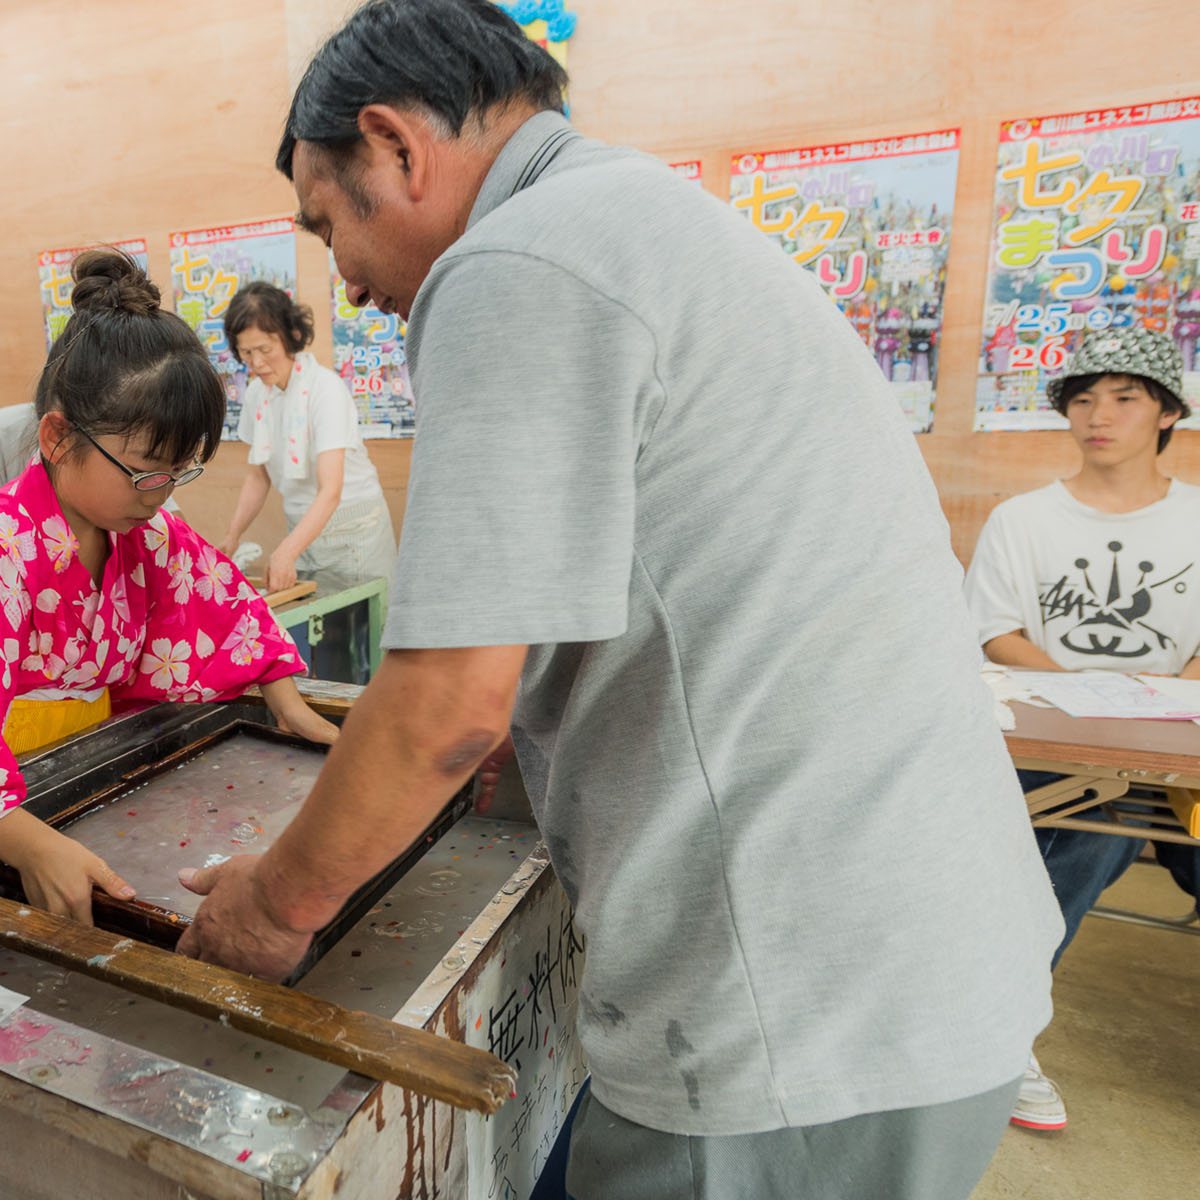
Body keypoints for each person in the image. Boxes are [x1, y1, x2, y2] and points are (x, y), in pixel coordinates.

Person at [175, 4, 1061, 1198]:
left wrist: (273, 907)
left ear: (393, 145)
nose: (346, 279)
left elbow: (446, 704)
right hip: (912, 955)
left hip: (796, 1013)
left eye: (329, 224)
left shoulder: (516, 261)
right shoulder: (643, 219)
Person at [0, 250, 337, 923]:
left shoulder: (141, 530)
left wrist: (286, 700)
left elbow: (220, 602)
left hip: (90, 776)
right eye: (144, 471)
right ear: (56, 436)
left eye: (177, 474)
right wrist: (30, 845)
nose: (161, 496)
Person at [964, 325, 1200, 1131]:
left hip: (1178, 754)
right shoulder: (1023, 520)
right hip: (1052, 749)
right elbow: (995, 632)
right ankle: (1005, 1030)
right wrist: (1098, 705)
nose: (1099, 414)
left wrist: (1161, 708)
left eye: (1125, 397)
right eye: (1083, 399)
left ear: (1168, 411)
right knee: (1100, 822)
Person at [218, 282, 397, 592]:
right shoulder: (257, 394)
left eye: (264, 349)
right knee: (320, 631)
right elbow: (259, 477)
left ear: (293, 336)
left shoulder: (324, 390)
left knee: (368, 629)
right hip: (302, 530)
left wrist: (287, 550)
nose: (257, 363)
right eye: (246, 352)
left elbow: (331, 489)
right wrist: (232, 536)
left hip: (354, 530)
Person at [0, 399, 179, 529]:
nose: (156, 500)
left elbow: (171, 526)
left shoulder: (133, 465)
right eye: (140, 472)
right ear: (59, 438)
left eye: (179, 470)